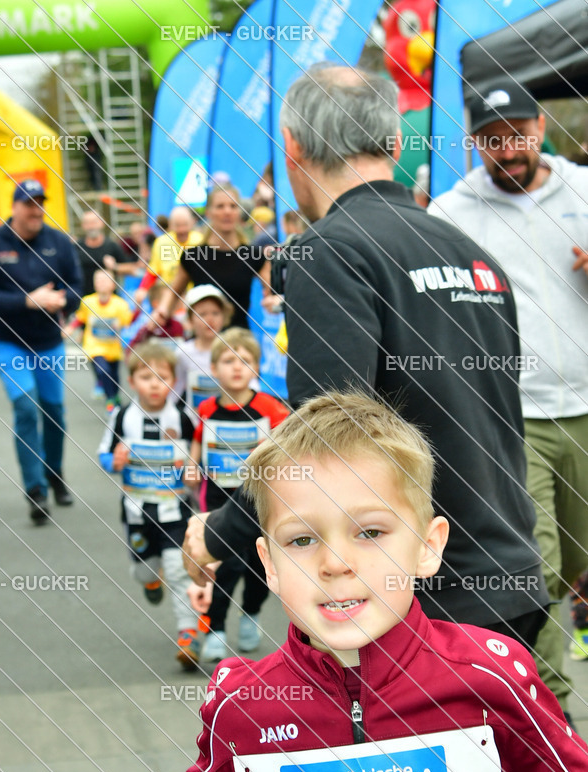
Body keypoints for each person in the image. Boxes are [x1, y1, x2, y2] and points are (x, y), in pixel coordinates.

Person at [53, 391, 588, 772]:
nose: (335, 564)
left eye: (370, 531)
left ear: (428, 545)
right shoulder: (244, 701)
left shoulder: (487, 674)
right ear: (269, 566)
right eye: (302, 540)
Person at [183, 65, 549, 649]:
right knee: (523, 740)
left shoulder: (330, 253)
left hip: (415, 596)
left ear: (294, 148)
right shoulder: (473, 254)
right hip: (510, 573)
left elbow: (324, 443)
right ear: (395, 143)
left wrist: (218, 534)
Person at [428, 77, 588, 717]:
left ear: (541, 129)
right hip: (512, 419)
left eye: (517, 134)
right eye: (491, 140)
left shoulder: (583, 189)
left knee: (576, 562)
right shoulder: (449, 213)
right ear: (473, 144)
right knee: (541, 572)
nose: (507, 149)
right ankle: (557, 727)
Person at [0, 179, 82, 524]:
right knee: (25, 404)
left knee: (53, 411)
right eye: (28, 203)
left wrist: (62, 300)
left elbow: (78, 285)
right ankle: (35, 490)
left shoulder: (57, 241)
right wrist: (28, 300)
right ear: (15, 206)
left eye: (40, 203)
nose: (36, 210)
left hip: (48, 342)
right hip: (8, 342)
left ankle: (54, 473)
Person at [97, 342, 200, 668]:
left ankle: (188, 635)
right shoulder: (123, 416)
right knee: (144, 571)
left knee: (177, 569)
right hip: (137, 511)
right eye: (146, 376)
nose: (155, 383)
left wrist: (193, 470)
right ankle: (150, 581)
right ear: (132, 380)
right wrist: (114, 460)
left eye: (162, 376)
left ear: (174, 381)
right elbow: (103, 456)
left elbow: (199, 459)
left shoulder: (184, 419)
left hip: (175, 510)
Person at [188, 329, 288, 661]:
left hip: (258, 503)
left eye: (245, 360)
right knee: (223, 565)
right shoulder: (206, 409)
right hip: (217, 498)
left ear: (257, 369)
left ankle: (251, 614)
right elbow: (198, 443)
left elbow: (288, 445)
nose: (237, 367)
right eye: (229, 360)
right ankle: (215, 628)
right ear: (214, 368)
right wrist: (190, 464)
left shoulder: (270, 408)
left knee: (260, 568)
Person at [153, 185, 271, 330]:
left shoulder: (253, 255)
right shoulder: (193, 256)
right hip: (203, 341)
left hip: (239, 341)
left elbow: (273, 291)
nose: (227, 211)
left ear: (239, 212)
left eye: (233, 206)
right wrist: (162, 311)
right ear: (208, 212)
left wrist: (273, 300)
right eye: (220, 206)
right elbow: (173, 292)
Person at [68, 268, 132, 411]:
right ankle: (110, 400)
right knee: (102, 370)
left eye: (105, 280)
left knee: (114, 374)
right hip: (94, 345)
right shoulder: (88, 301)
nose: (101, 283)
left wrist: (120, 325)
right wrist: (70, 328)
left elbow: (128, 322)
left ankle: (114, 396)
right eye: (98, 280)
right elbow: (80, 318)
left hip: (113, 346)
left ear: (113, 284)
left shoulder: (120, 304)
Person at [174, 284, 234, 417]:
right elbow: (174, 390)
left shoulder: (234, 349)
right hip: (194, 422)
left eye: (215, 313)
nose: (210, 319)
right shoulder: (183, 352)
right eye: (202, 314)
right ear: (190, 319)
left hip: (226, 421)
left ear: (224, 316)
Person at [133, 206, 204, 307]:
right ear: (171, 225)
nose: (182, 229)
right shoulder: (161, 243)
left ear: (192, 223)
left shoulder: (201, 241)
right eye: (178, 225)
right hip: (169, 296)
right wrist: (143, 289)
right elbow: (153, 271)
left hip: (195, 297)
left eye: (185, 225)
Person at [76, 211, 125, 296]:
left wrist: (115, 266)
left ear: (102, 223)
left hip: (109, 301)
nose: (91, 226)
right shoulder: (76, 247)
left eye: (94, 222)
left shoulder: (112, 245)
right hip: (83, 300)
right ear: (82, 225)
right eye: (87, 223)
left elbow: (132, 268)